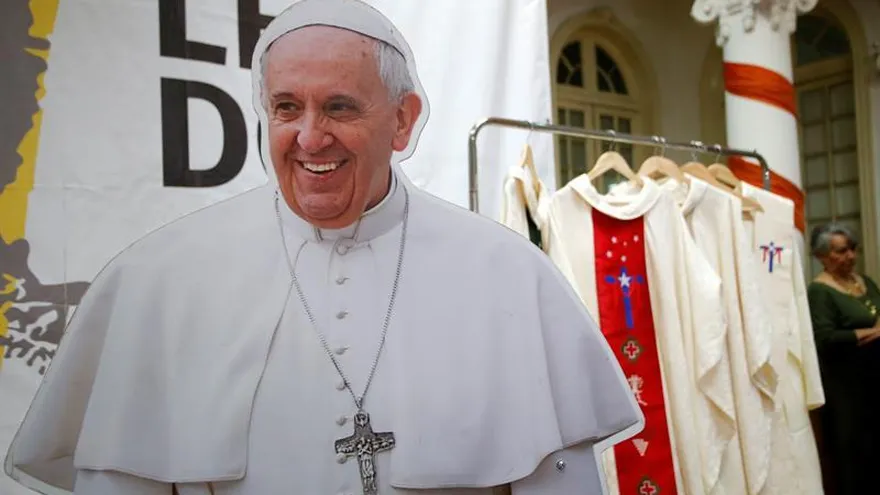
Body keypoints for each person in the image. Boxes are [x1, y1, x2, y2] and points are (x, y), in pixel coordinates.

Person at [3, 1, 643, 494]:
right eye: (286, 108)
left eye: (340, 107)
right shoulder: (156, 280)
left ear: (403, 119)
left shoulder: (508, 275)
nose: (311, 138)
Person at [807, 222, 880, 494]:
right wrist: (870, 332)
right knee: (852, 454)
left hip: (873, 379)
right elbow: (825, 338)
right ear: (821, 256)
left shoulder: (864, 281)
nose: (850, 256)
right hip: (846, 386)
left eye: (852, 249)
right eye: (841, 251)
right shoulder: (819, 291)